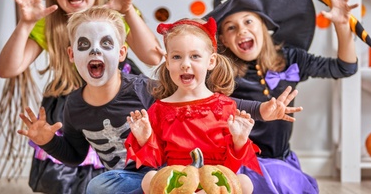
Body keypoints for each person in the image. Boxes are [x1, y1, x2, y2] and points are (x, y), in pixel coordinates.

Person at [18, 6, 302, 194]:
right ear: (72, 55)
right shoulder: (75, 106)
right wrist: (47, 141)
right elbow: (77, 154)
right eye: (177, 58)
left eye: (105, 44)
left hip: (192, 174)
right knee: (100, 186)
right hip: (144, 176)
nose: (94, 52)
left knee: (242, 183)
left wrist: (263, 110)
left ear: (121, 53)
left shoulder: (147, 91)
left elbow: (224, 106)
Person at [0, 0, 162, 193]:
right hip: (69, 106)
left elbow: (153, 56)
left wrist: (126, 12)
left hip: (120, 100)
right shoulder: (47, 24)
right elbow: (8, 69)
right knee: (70, 179)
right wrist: (26, 23)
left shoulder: (117, 16)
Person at [206, 0, 364, 194]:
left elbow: (345, 67)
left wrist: (342, 26)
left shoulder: (291, 59)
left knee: (287, 182)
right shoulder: (219, 71)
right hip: (237, 162)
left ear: (263, 25)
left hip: (281, 161)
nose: (242, 31)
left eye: (249, 22)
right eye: (231, 27)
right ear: (224, 40)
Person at [124, 17, 290, 194]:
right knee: (149, 179)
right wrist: (144, 138)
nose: (185, 64)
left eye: (195, 56)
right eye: (177, 57)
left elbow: (231, 168)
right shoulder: (159, 109)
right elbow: (156, 161)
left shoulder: (225, 106)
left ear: (211, 61)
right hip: (178, 182)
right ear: (168, 61)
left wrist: (239, 140)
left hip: (214, 181)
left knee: (245, 182)